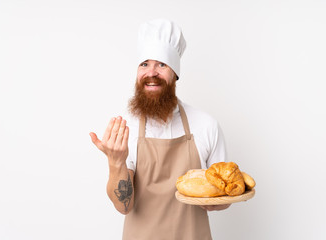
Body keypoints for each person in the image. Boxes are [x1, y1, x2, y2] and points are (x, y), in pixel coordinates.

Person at [90, 19, 230, 240]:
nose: (151, 73)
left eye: (162, 64)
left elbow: (224, 196)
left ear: (175, 73)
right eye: (144, 64)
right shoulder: (127, 127)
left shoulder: (206, 125)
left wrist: (216, 202)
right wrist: (116, 163)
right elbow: (123, 206)